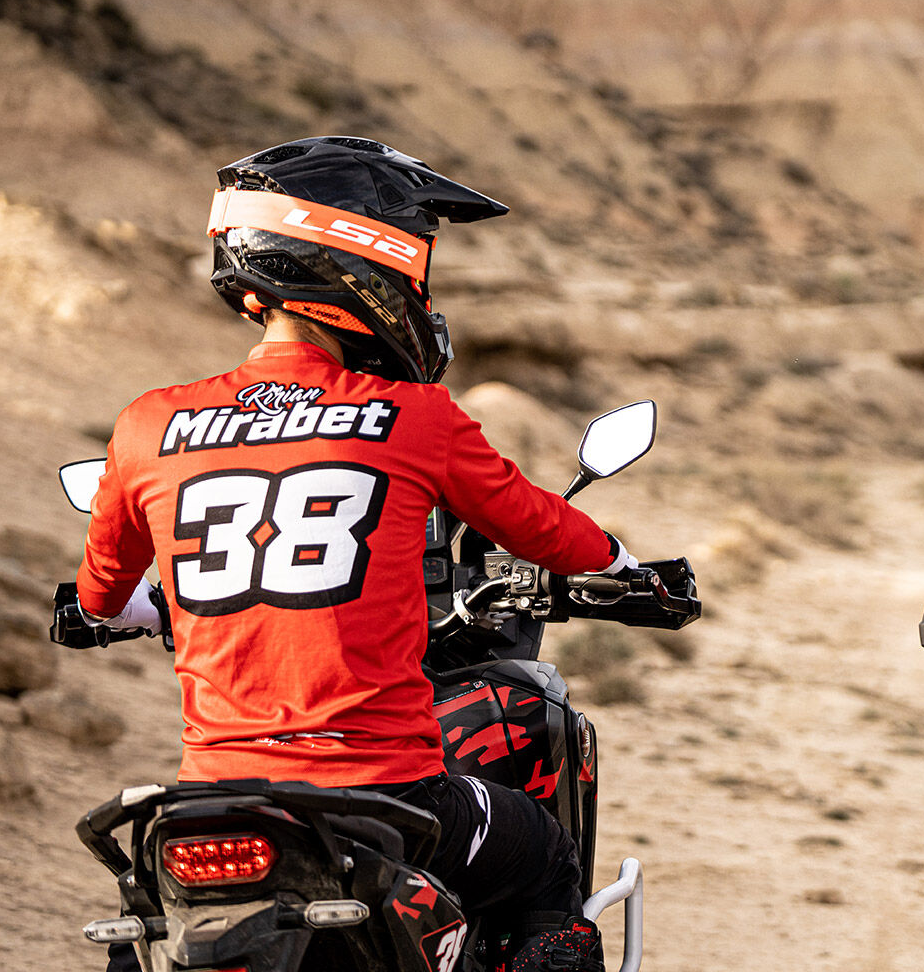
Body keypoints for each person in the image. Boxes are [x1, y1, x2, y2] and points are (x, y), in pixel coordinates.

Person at [75, 136, 631, 972]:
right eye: (417, 260)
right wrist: (622, 565)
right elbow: (544, 530)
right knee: (545, 855)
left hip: (213, 796)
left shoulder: (147, 422)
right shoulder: (416, 418)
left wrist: (154, 608)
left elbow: (100, 598)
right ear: (362, 260)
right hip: (387, 795)